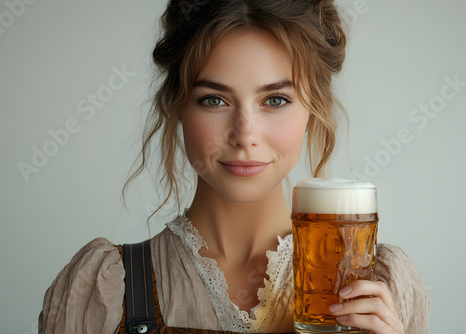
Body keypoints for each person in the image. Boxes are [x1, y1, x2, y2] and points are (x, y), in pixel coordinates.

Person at [38, 0, 430, 333]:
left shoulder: (384, 286)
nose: (245, 135)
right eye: (213, 100)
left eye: (275, 100)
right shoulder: (106, 286)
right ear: (177, 107)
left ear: (313, 110)